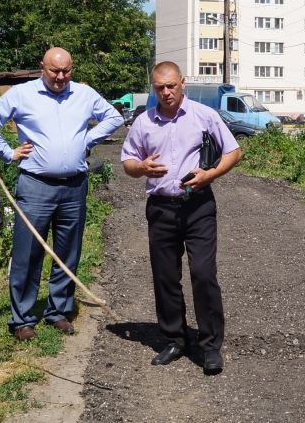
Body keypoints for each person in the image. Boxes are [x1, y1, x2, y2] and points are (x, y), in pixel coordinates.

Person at [0, 47, 123, 341]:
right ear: (42, 66)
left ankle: (58, 311)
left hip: (74, 185)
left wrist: (87, 139)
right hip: (36, 185)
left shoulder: (84, 94)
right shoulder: (22, 94)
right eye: (54, 70)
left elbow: (114, 117)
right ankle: (23, 318)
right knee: (28, 252)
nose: (60, 77)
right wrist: (7, 152)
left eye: (66, 71)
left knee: (68, 252)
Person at [121, 61, 242, 375]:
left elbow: (234, 151)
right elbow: (127, 162)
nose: (166, 92)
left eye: (171, 86)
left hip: (198, 205)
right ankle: (174, 339)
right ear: (153, 88)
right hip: (161, 207)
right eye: (159, 87)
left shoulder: (204, 115)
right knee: (165, 276)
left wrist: (210, 174)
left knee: (203, 273)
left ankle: (210, 346)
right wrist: (142, 167)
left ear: (182, 83)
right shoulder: (143, 122)